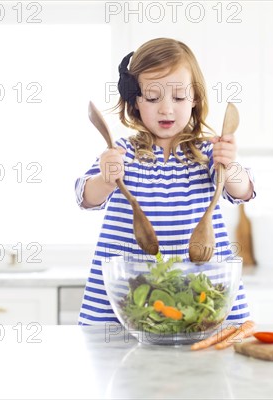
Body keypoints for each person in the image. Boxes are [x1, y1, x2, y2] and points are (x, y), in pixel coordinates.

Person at [75, 38, 256, 326]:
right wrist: (106, 178)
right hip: (128, 301)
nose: (166, 109)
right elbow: (86, 196)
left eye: (179, 98)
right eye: (153, 97)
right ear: (136, 101)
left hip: (198, 299)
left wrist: (230, 164)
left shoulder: (208, 153)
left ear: (195, 99)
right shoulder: (123, 152)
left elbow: (243, 191)